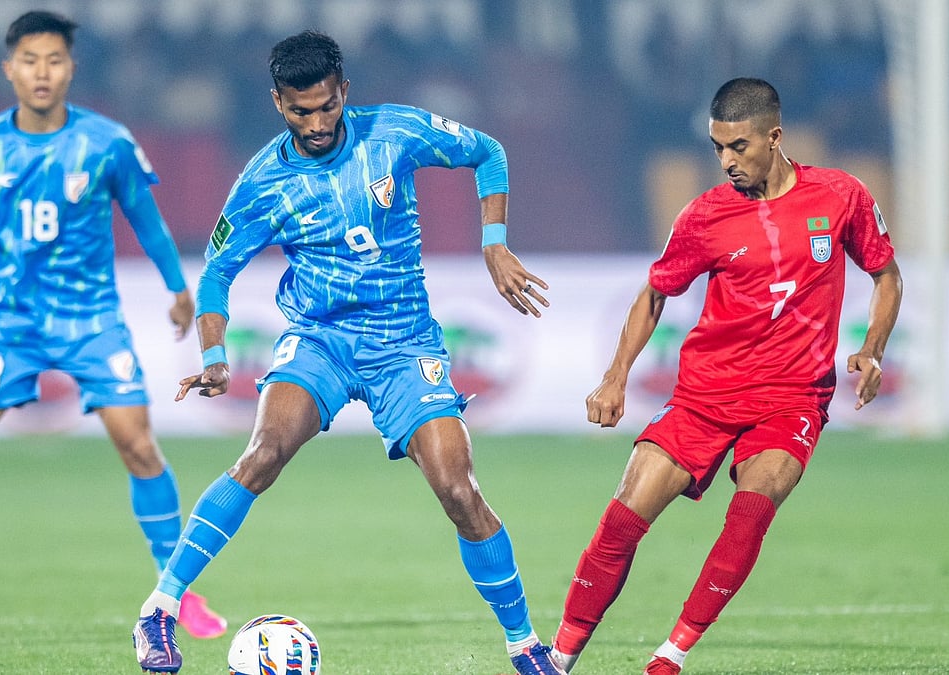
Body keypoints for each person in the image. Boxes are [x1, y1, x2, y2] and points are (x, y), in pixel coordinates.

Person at [131, 30, 564, 675]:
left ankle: (525, 646)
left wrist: (494, 242)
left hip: (403, 341)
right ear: (278, 103)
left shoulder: (393, 132)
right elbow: (218, 273)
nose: (316, 123)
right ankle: (159, 611)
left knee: (458, 488)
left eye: (327, 106)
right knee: (262, 454)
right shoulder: (263, 182)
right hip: (319, 340)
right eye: (300, 111)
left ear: (344, 92)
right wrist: (215, 355)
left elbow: (488, 151)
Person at [0, 10, 226, 642]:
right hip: (9, 324)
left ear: (71, 68)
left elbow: (145, 218)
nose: (42, 72)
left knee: (140, 446)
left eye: (55, 60)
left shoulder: (107, 142)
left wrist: (179, 290)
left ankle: (176, 592)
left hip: (92, 321)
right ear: (9, 69)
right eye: (30, 60)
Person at [547, 78, 903, 674]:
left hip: (792, 397)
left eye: (739, 146)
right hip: (705, 394)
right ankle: (557, 660)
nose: (727, 161)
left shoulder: (841, 195)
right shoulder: (704, 216)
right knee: (623, 520)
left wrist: (873, 348)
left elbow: (886, 276)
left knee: (750, 513)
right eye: (717, 148)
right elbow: (654, 295)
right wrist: (616, 376)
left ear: (774, 136)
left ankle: (669, 657)